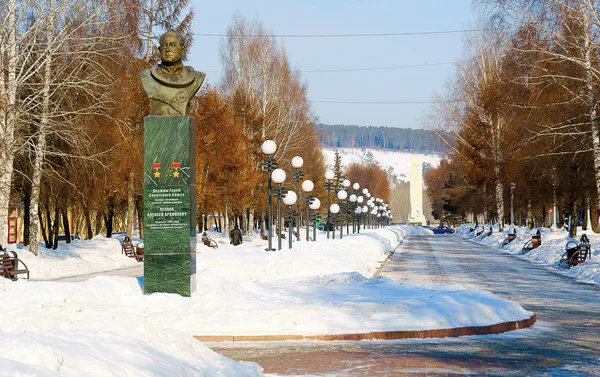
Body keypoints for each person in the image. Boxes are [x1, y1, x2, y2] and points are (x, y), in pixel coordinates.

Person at [138, 30, 205, 116]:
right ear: (159, 50)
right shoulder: (146, 77)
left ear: (183, 50)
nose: (168, 49)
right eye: (164, 45)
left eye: (173, 45)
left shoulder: (197, 78)